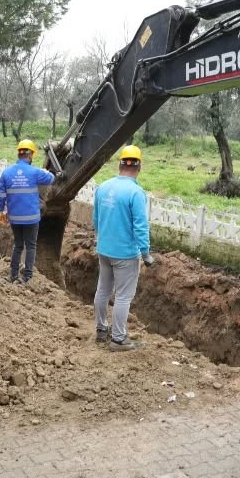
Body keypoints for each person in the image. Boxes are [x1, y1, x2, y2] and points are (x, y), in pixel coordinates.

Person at [93, 145, 155, 351]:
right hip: (125, 255)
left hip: (104, 249)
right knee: (123, 296)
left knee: (103, 289)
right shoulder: (135, 193)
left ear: (120, 164)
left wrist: (102, 240)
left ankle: (101, 330)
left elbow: (96, 220)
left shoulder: (103, 187)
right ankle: (118, 339)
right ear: (139, 167)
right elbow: (140, 225)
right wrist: (146, 254)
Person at [0, 139, 55, 284]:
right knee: (31, 246)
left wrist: (0, 211)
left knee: (18, 245)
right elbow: (52, 179)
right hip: (32, 219)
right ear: (30, 155)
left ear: (19, 154)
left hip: (15, 218)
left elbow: (1, 195)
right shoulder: (35, 172)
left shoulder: (7, 173)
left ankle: (13, 275)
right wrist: (45, 171)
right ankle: (27, 277)